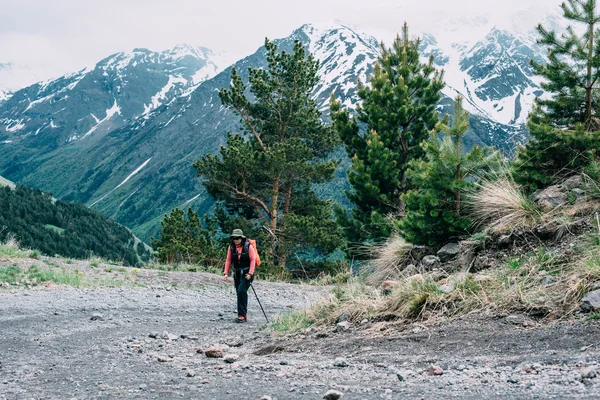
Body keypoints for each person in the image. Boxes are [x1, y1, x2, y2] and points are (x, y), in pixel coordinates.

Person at [223, 229, 256, 323]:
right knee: (239, 292)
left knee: (242, 291)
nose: (235, 240)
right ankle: (242, 314)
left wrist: (250, 273)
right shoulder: (231, 247)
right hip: (237, 273)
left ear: (242, 238)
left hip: (247, 273)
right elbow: (228, 260)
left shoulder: (248, 247)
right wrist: (226, 273)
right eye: (234, 238)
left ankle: (242, 315)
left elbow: (252, 260)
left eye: (237, 238)